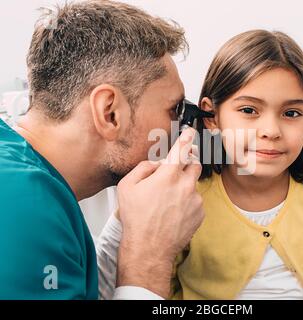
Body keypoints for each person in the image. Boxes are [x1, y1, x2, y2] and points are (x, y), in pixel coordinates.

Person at [0, 0, 204, 300]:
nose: (183, 129)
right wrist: (150, 254)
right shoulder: (27, 211)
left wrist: (130, 225)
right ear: (110, 112)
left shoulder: (29, 181)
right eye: (174, 110)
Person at [168, 29, 303, 300]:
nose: (271, 131)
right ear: (212, 118)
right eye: (249, 110)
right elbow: (161, 278)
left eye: (291, 113)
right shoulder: (184, 194)